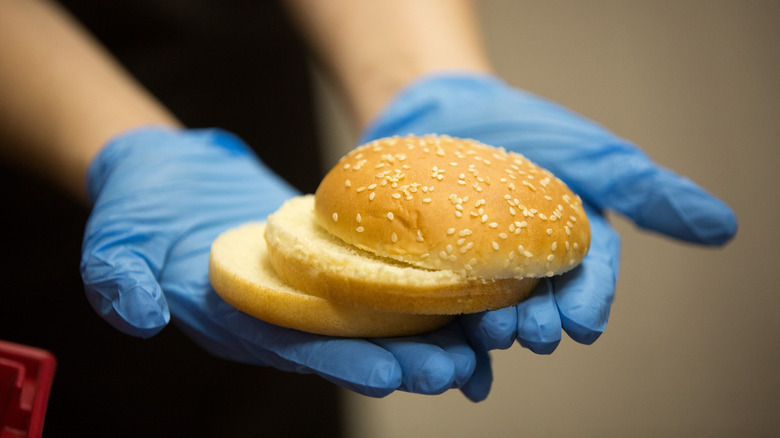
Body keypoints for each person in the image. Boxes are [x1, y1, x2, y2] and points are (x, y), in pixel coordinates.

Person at [0, 0, 737, 435]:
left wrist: (419, 73)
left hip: (245, 102)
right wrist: (115, 141)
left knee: (287, 375)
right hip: (29, 230)